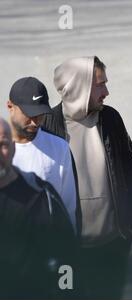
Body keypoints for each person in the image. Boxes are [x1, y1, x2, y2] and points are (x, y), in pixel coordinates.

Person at [42, 56, 132, 299]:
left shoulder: (111, 119)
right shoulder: (48, 125)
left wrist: (129, 219)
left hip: (112, 244)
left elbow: (131, 168)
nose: (106, 91)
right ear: (79, 86)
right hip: (69, 250)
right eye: (100, 84)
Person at [0, 117, 77, 299]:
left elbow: (67, 258)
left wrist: (69, 293)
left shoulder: (42, 197)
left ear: (12, 149)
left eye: (2, 145)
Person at [6, 77, 78, 233]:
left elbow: (69, 206)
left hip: (45, 247)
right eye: (29, 114)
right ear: (10, 106)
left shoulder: (60, 148)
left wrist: (70, 250)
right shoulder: (2, 150)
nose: (35, 122)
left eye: (40, 114)